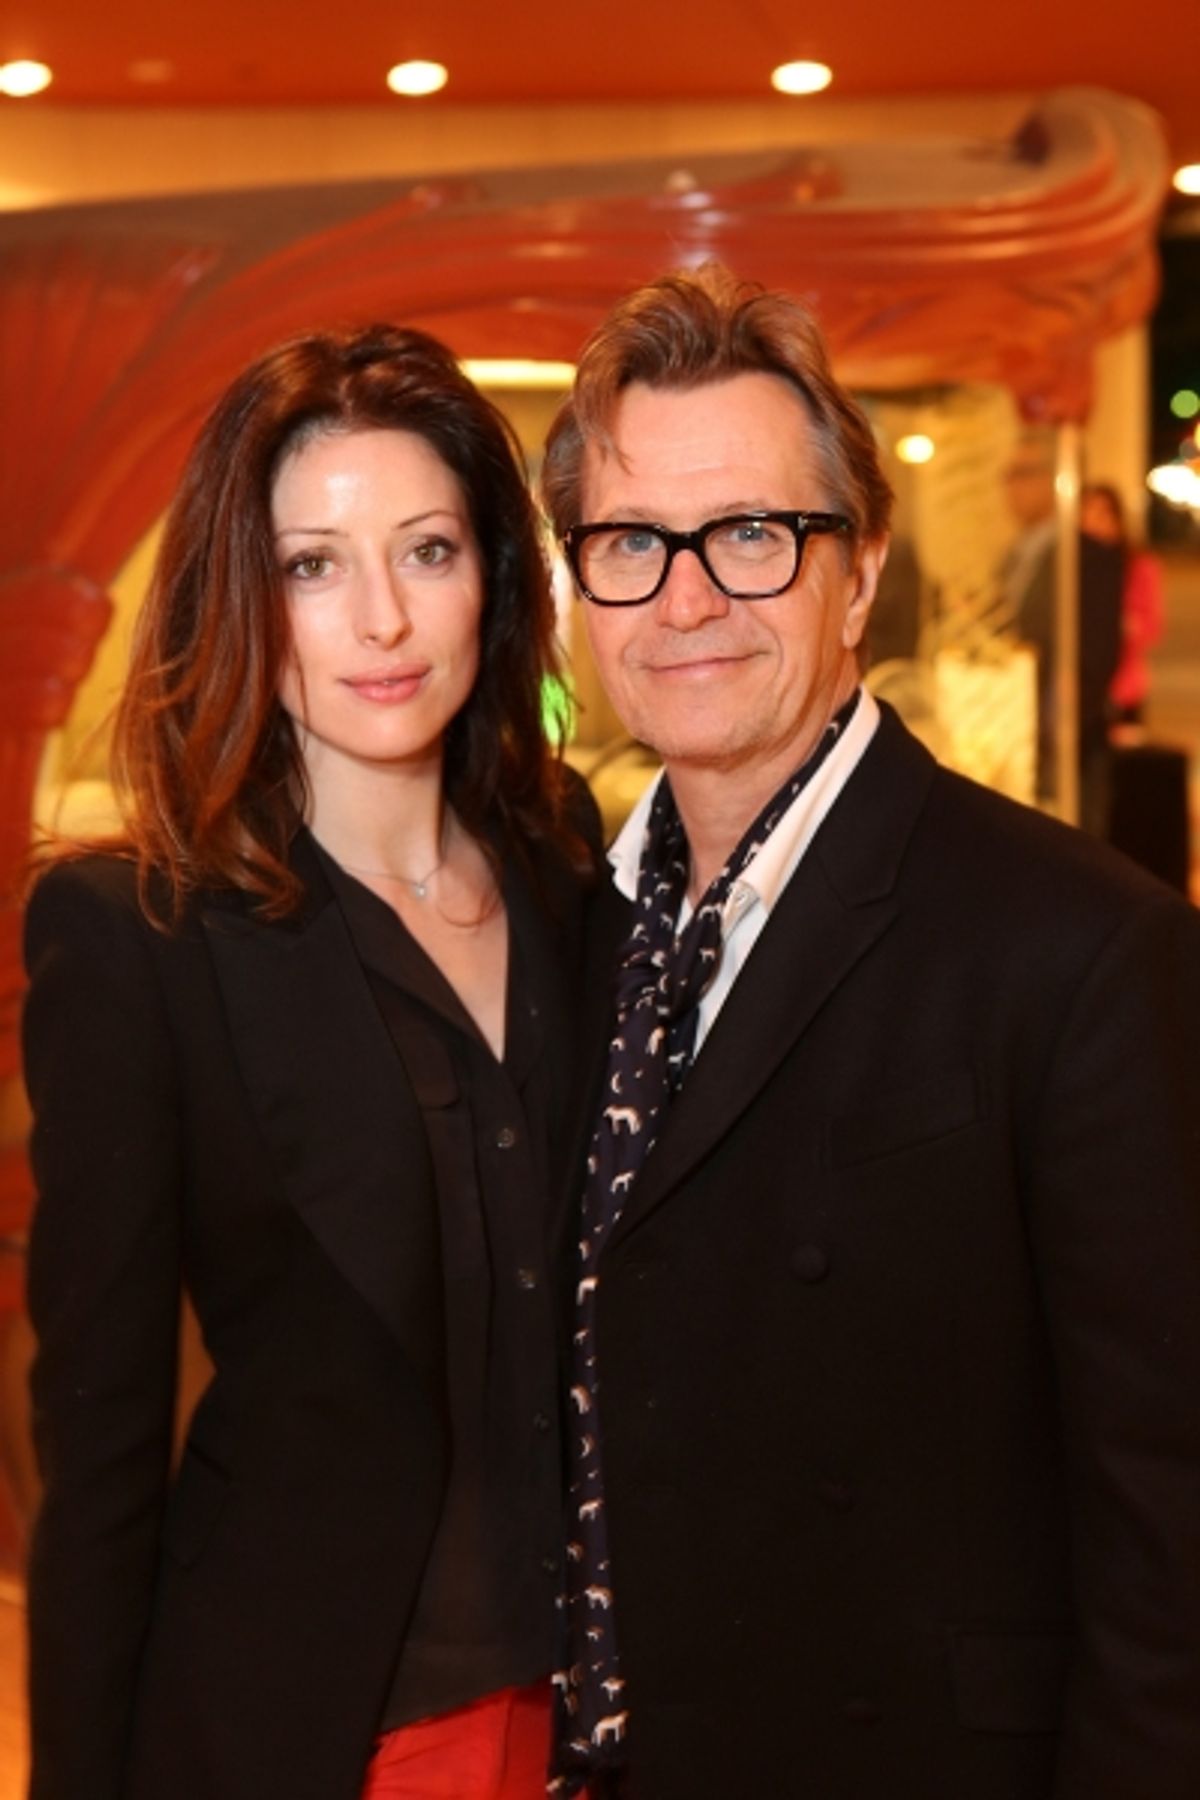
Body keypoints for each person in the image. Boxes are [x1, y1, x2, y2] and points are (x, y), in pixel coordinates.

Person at [540, 265, 1200, 1800]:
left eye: (752, 535)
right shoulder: (569, 929)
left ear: (861, 571)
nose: (686, 600)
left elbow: (1172, 1527)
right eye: (631, 543)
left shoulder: (1080, 948)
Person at [21, 323, 600, 1800]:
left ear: (495, 577)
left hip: (606, 1706)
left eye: (426, 552)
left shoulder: (565, 866)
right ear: (240, 594)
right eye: (312, 567)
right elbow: (99, 1446)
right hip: (324, 1724)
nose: (381, 622)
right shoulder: (138, 937)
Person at [998, 433, 1123, 832]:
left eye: (1022, 474)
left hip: (1066, 751)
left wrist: (1059, 734)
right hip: (1017, 739)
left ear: (1054, 479)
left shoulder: (1088, 556)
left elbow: (1096, 658)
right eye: (1008, 475)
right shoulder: (1013, 556)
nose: (1010, 487)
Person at [1080, 480, 1165, 725]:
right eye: (1086, 513)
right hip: (1080, 687)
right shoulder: (1070, 567)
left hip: (1122, 686)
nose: (1093, 522)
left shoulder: (1137, 566)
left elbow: (1152, 625)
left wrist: (1121, 624)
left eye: (1102, 513)